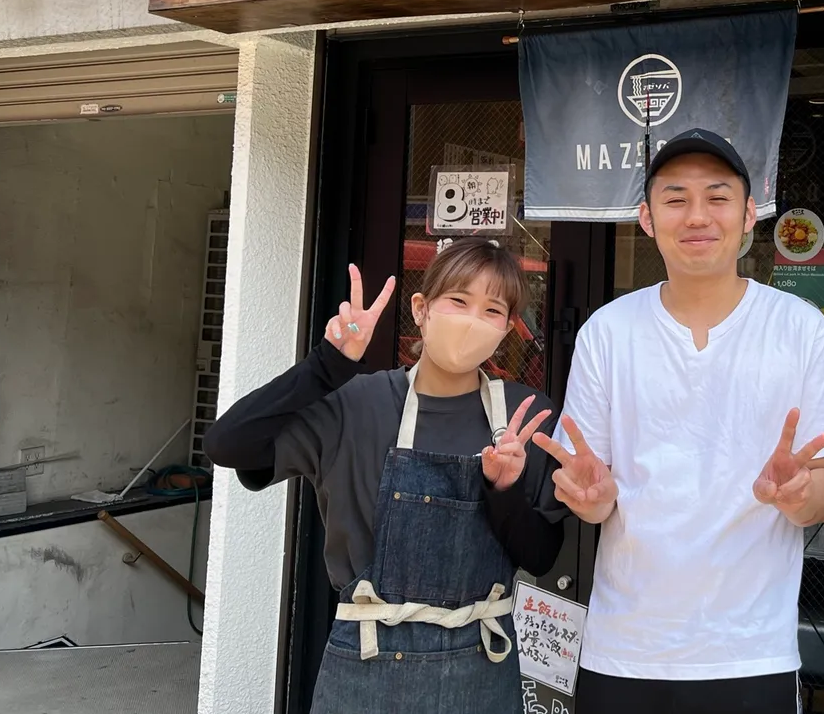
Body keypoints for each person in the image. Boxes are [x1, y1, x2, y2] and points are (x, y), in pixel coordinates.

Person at [532, 128, 824, 714]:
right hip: (625, 650)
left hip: (752, 652)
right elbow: (596, 497)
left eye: (717, 196)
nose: (697, 216)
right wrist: (591, 498)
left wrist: (797, 495)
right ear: (647, 218)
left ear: (749, 214)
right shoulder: (608, 332)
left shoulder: (799, 328)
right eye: (675, 198)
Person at [204, 238, 566, 713]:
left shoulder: (523, 418)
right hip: (366, 662)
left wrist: (505, 490)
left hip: (481, 665)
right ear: (421, 309)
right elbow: (227, 444)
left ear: (505, 329)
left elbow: (541, 556)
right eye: (458, 301)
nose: (472, 320)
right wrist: (326, 365)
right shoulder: (356, 404)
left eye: (492, 310)